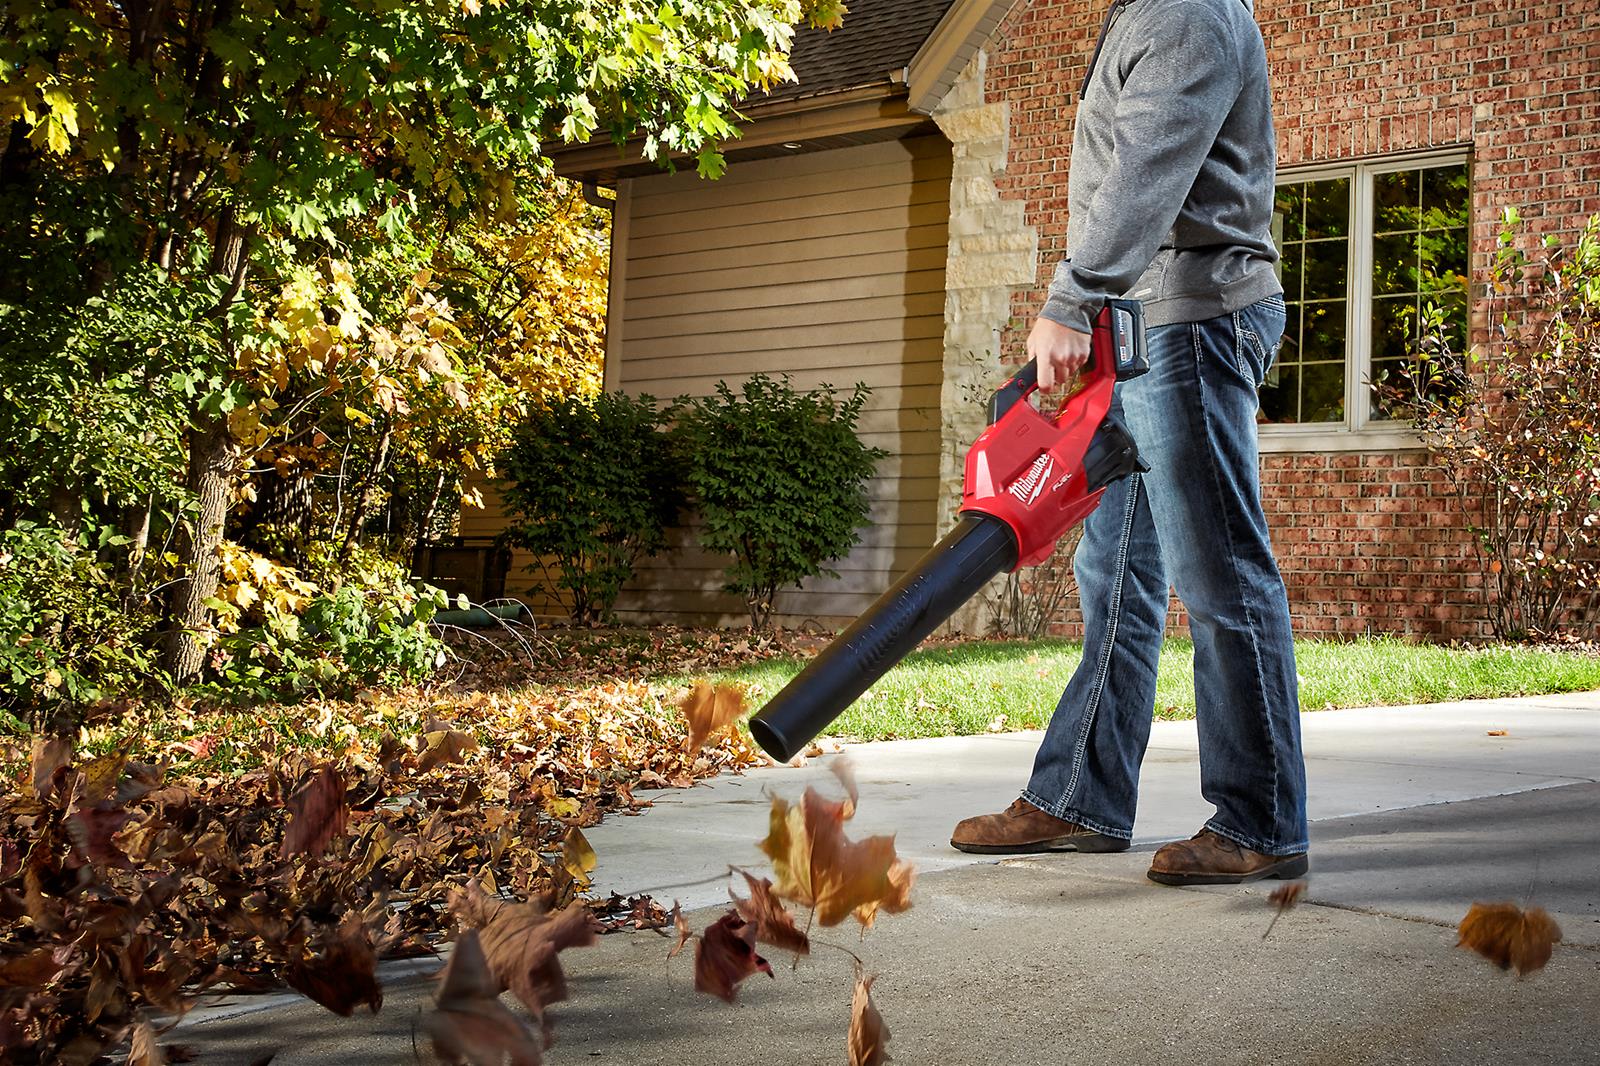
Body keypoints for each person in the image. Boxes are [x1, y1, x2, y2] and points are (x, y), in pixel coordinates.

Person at [948, 0, 1309, 885]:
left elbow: (1147, 171)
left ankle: (1261, 820)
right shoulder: (1143, 10)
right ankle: (1080, 797)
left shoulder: (1188, 11)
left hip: (1191, 320)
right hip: (1143, 327)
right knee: (1114, 574)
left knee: (1218, 570)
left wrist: (1071, 302)